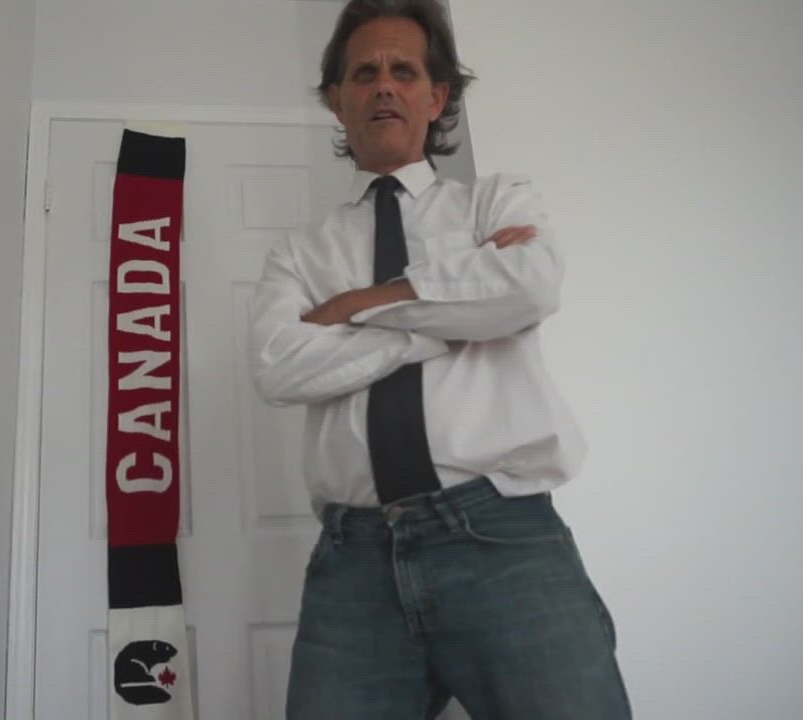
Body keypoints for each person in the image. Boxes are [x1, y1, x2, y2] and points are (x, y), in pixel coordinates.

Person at [247, 1, 632, 717]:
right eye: (364, 73)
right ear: (337, 100)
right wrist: (447, 322)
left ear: (437, 96)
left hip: (504, 541)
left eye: (404, 71)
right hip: (353, 563)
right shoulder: (299, 252)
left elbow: (530, 285)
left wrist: (358, 304)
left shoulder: (496, 201)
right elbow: (278, 365)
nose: (384, 86)